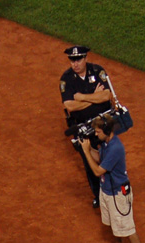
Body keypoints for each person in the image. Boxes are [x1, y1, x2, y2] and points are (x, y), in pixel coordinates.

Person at [88, 114, 145, 243]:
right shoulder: (105, 143)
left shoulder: (116, 147)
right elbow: (100, 160)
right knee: (114, 226)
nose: (95, 134)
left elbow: (97, 171)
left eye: (97, 131)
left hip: (118, 194)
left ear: (107, 131)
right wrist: (86, 149)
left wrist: (84, 151)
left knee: (128, 229)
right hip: (107, 191)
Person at [61, 45, 115, 204]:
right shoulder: (67, 79)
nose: (75, 63)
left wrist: (82, 98)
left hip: (102, 122)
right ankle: (98, 196)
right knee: (88, 159)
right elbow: (69, 106)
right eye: (72, 60)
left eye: (78, 59)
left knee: (109, 154)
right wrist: (94, 96)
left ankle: (113, 188)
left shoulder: (98, 71)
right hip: (82, 125)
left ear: (85, 59)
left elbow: (107, 95)